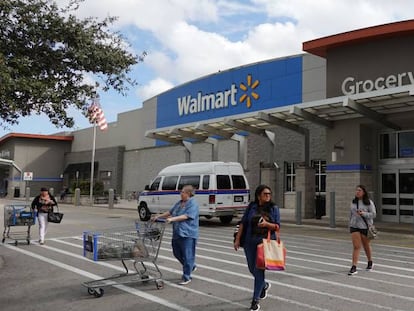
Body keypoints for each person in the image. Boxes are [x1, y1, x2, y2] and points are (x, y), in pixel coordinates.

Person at [234, 184, 280, 311]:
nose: (268, 196)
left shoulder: (273, 208)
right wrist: (238, 239)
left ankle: (255, 300)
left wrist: (266, 224)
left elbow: (277, 226)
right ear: (259, 195)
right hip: (249, 242)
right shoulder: (252, 206)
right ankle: (263, 285)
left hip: (264, 243)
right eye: (265, 194)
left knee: (259, 270)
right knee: (251, 268)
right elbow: (243, 223)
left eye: (269, 194)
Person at [151, 185, 199, 285]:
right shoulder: (179, 203)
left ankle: (187, 276)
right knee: (176, 253)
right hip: (177, 232)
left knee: (187, 255)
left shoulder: (193, 204)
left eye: (183, 192)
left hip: (188, 233)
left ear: (188, 193)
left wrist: (173, 219)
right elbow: (170, 212)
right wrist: (158, 216)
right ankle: (191, 266)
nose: (181, 194)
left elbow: (187, 216)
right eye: (181, 192)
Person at [348, 184, 377, 275]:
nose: (357, 192)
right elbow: (351, 214)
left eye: (359, 190)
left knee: (366, 245)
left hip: (364, 226)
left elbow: (373, 214)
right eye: (356, 190)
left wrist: (363, 213)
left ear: (364, 192)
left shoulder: (369, 202)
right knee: (356, 246)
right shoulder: (353, 202)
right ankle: (354, 266)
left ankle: (370, 261)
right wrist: (350, 223)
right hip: (354, 226)